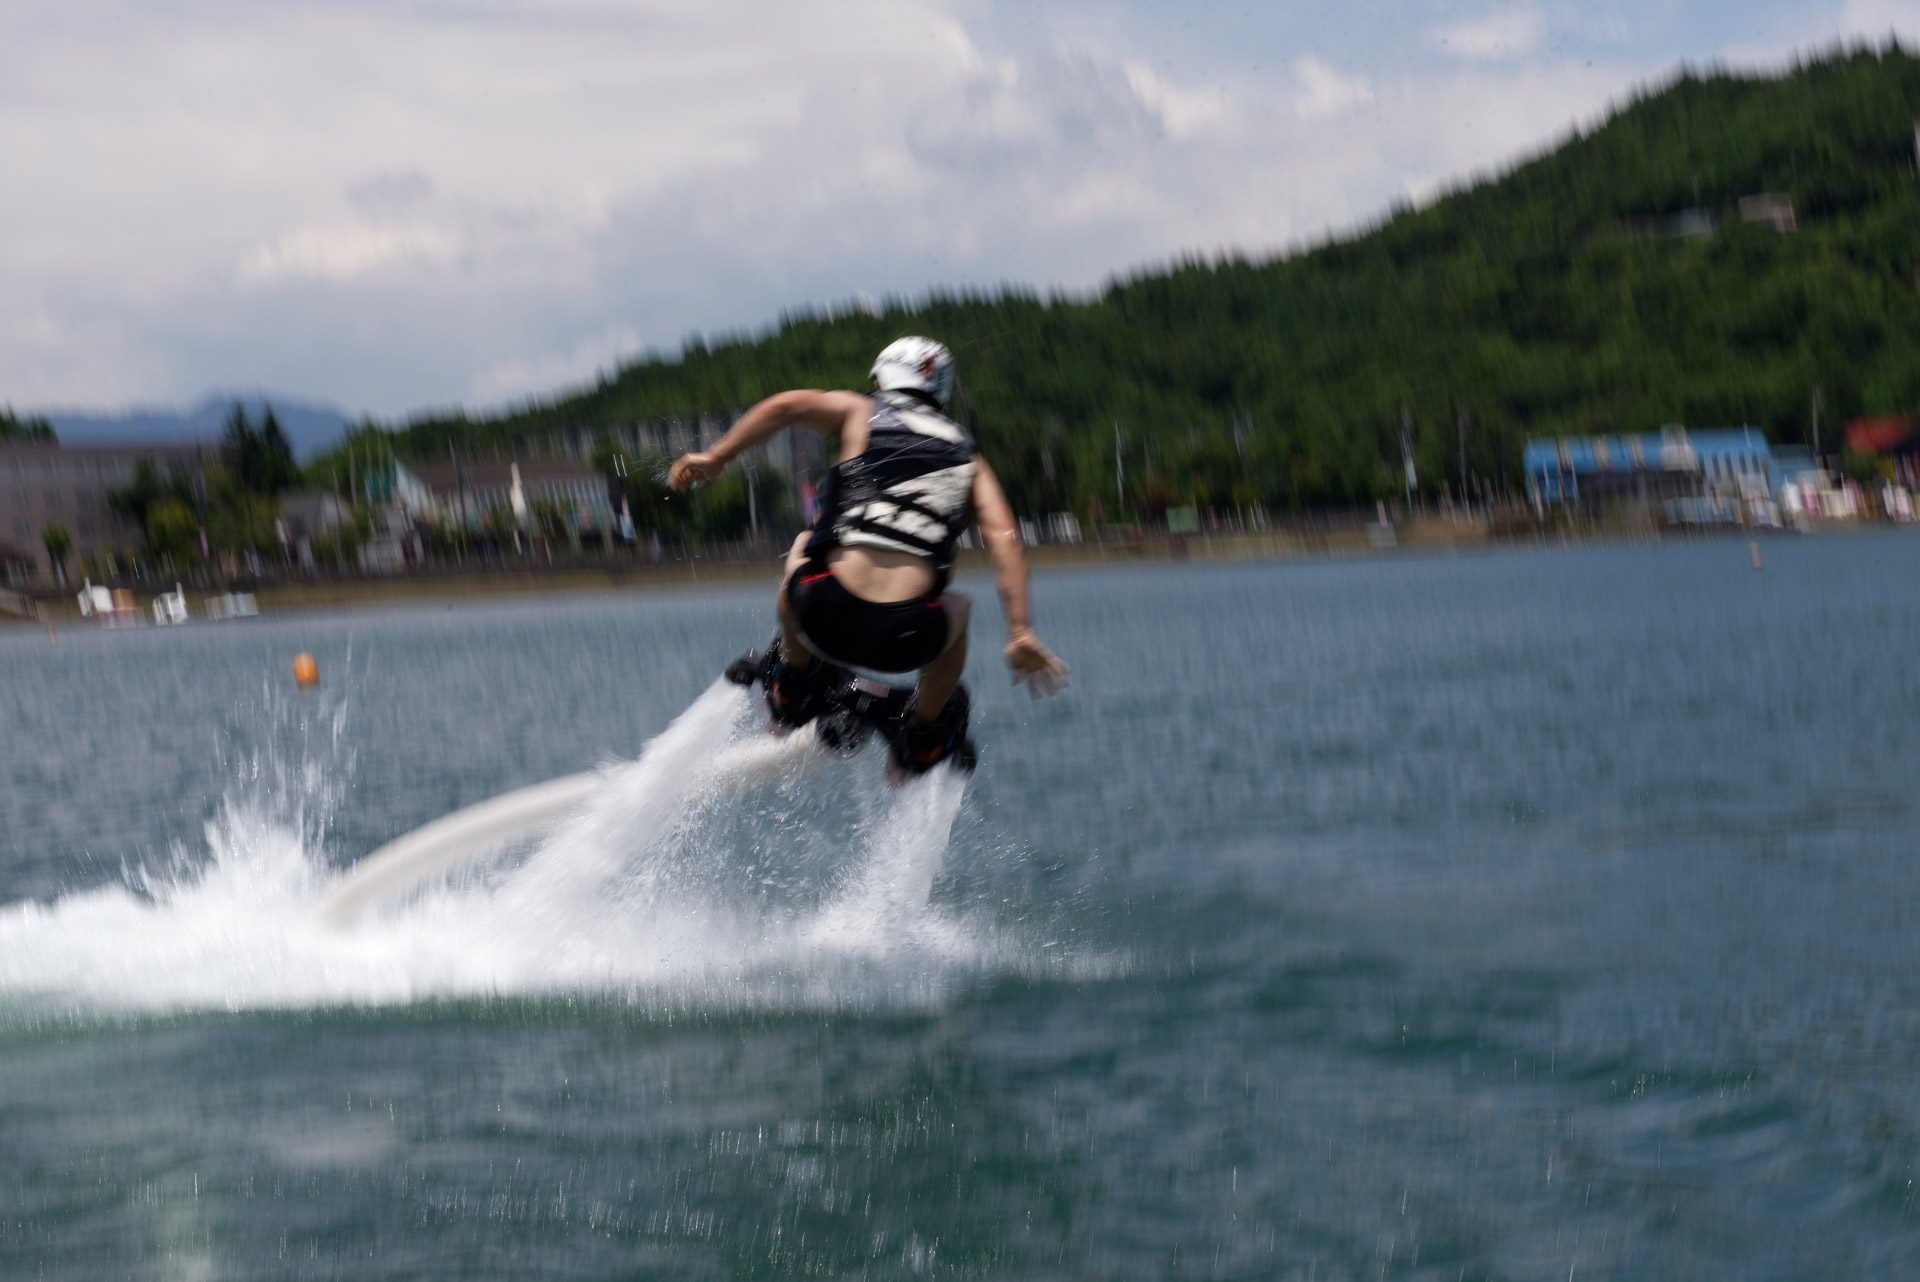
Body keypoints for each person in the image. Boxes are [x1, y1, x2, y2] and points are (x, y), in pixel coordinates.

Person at [668, 336, 1068, 773]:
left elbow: (786, 406)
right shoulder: (968, 456)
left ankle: (792, 685)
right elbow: (1006, 540)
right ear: (941, 393)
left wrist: (717, 456)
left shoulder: (860, 410)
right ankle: (922, 735)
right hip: (906, 638)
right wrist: (1019, 631)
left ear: (879, 379)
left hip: (821, 614)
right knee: (959, 607)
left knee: (804, 547)